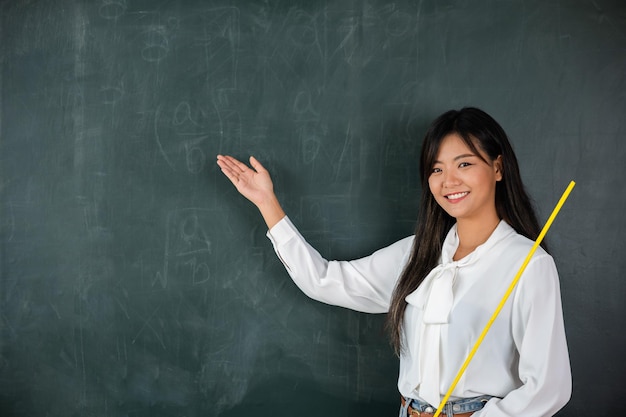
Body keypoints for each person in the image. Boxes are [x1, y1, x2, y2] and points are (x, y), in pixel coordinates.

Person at [216, 107, 571, 417]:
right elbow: (323, 280)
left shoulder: (529, 265)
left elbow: (548, 388)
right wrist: (267, 204)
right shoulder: (417, 254)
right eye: (436, 169)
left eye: (464, 163)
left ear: (497, 167)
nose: (449, 181)